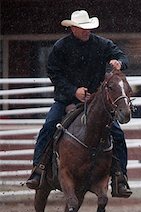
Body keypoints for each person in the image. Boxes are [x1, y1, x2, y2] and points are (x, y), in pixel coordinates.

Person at [25, 10, 132, 198]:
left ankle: (119, 176)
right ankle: (38, 169)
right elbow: (54, 73)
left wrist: (119, 62)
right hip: (67, 98)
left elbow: (121, 55)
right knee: (49, 126)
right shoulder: (61, 47)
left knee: (117, 134)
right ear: (73, 28)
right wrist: (73, 90)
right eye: (83, 28)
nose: (86, 31)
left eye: (88, 28)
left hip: (95, 101)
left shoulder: (101, 44)